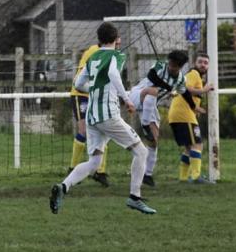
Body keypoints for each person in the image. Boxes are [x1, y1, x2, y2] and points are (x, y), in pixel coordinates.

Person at [50, 22, 156, 215]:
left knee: (94, 162)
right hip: (108, 115)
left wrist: (96, 89)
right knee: (141, 151)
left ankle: (63, 187)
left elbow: (78, 83)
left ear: (99, 40)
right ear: (117, 40)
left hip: (91, 116)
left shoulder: (93, 57)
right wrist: (126, 99)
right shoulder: (117, 55)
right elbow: (113, 74)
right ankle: (135, 197)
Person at [128, 50, 188, 187]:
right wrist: (168, 87)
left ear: (180, 67)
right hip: (138, 95)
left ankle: (147, 175)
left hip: (150, 105)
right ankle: (144, 125)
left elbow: (184, 92)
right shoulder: (160, 66)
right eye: (170, 63)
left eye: (174, 66)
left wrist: (192, 105)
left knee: (154, 140)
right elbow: (152, 76)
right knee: (152, 91)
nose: (171, 67)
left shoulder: (181, 80)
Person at [168, 51, 215, 184]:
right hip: (184, 115)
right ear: (195, 63)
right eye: (200, 62)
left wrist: (196, 108)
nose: (203, 65)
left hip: (177, 114)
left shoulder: (195, 76)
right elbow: (185, 88)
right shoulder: (193, 74)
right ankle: (195, 176)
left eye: (206, 63)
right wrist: (204, 90)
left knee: (189, 147)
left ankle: (183, 178)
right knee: (198, 144)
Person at [68, 42, 111, 188]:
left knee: (105, 131)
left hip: (95, 95)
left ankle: (100, 171)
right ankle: (73, 168)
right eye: (116, 39)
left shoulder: (110, 53)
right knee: (83, 131)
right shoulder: (95, 51)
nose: (119, 42)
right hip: (80, 94)